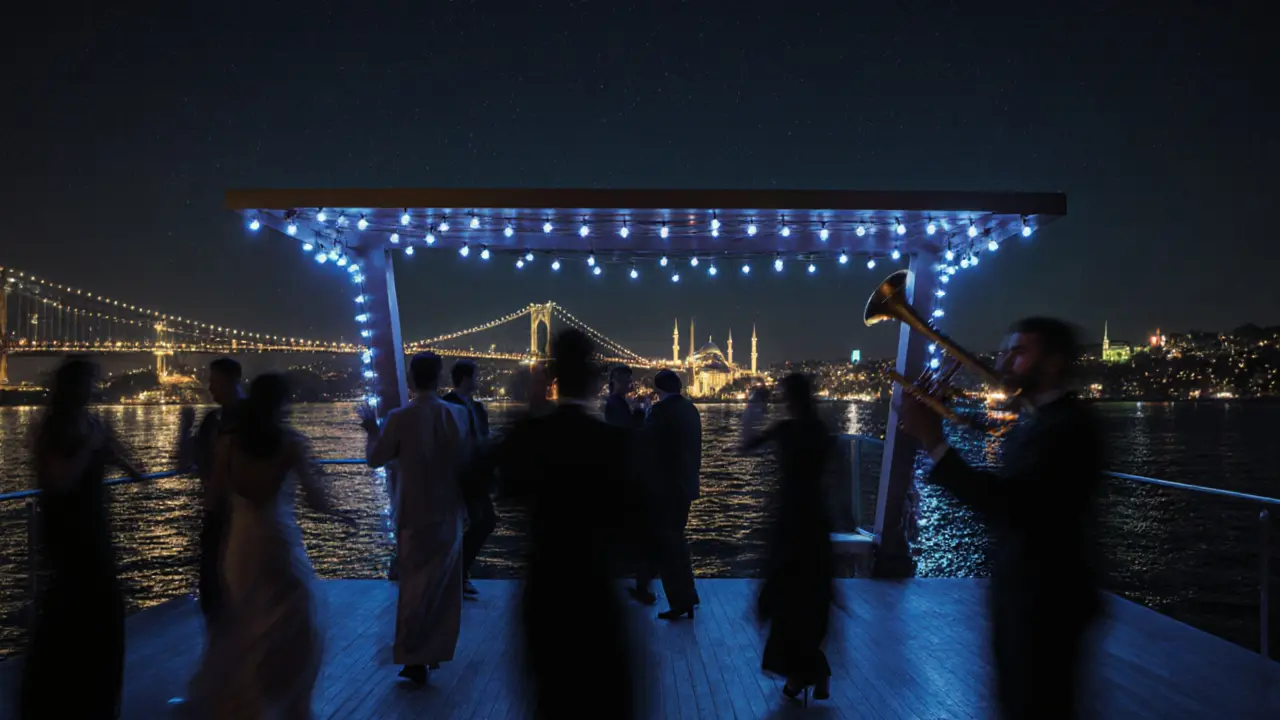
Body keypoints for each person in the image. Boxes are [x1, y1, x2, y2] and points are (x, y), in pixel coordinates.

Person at [896, 317, 1104, 720]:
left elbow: (1010, 505)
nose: (1005, 361)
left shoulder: (1069, 429)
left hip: (1047, 604)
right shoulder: (1042, 420)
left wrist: (934, 440)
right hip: (1027, 598)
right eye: (1007, 350)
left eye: (1020, 352)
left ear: (1055, 363)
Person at [493, 329, 638, 719]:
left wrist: (525, 412)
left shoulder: (528, 436)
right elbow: (639, 528)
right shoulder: (615, 444)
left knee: (549, 700)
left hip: (544, 595)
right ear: (594, 379)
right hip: (596, 597)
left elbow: (477, 478)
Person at [203, 373, 353, 718]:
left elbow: (213, 500)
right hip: (278, 541)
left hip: (241, 544)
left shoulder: (229, 443)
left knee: (244, 622)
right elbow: (315, 500)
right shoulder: (290, 442)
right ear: (282, 404)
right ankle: (288, 702)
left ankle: (246, 704)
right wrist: (341, 513)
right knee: (298, 623)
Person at [20, 357, 142, 719]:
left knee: (100, 614)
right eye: (91, 382)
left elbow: (133, 470)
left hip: (93, 525)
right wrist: (91, 446)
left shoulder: (90, 422)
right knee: (74, 612)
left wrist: (116, 450)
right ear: (74, 387)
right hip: (67, 530)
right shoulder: (56, 427)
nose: (97, 388)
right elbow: (59, 480)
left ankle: (96, 701)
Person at [362, 352, 471, 685]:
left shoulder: (399, 417)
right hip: (449, 511)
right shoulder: (460, 415)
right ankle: (432, 652)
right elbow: (467, 463)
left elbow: (375, 460)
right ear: (439, 378)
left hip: (412, 512)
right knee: (443, 587)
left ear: (410, 379)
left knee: (413, 586)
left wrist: (371, 429)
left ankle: (413, 657)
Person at [740, 373, 834, 705]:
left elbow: (746, 444)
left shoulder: (786, 430)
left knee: (785, 601)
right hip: (815, 523)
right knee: (809, 601)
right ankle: (809, 672)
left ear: (789, 398)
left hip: (790, 522)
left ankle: (803, 673)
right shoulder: (822, 432)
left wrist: (754, 408)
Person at [176, 358, 243, 630]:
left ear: (231, 380)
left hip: (234, 517)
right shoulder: (211, 420)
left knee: (228, 589)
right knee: (213, 590)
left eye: (214, 380)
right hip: (217, 516)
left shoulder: (249, 420)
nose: (209, 386)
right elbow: (183, 463)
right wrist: (184, 429)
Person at [638, 368, 702, 620]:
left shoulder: (660, 411)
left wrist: (641, 413)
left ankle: (679, 601)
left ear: (658, 389)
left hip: (665, 488)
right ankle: (690, 594)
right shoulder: (691, 409)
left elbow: (645, 442)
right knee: (678, 541)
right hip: (686, 486)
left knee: (667, 545)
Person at [443, 359, 495, 598]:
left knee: (487, 522)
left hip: (476, 476)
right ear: (464, 379)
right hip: (456, 475)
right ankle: (456, 576)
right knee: (473, 523)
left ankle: (457, 573)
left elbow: (484, 439)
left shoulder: (478, 408)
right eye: (476, 376)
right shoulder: (445, 406)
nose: (479, 380)